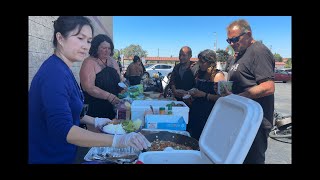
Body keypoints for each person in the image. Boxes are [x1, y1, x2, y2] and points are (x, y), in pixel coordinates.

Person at [28, 16, 150, 164]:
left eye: (88, 41)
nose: (85, 46)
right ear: (60, 38)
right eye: (80, 38)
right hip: (49, 156)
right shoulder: (54, 74)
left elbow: (70, 111)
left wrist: (96, 121)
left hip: (65, 154)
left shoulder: (63, 69)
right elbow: (62, 129)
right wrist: (118, 140)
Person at [226, 19, 275, 164]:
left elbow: (268, 86)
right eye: (228, 40)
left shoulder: (259, 51)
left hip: (255, 122)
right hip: (240, 118)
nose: (232, 44)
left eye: (235, 39)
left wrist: (238, 98)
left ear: (248, 34)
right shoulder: (238, 55)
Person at [80, 34, 123, 133]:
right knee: (98, 139)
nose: (107, 50)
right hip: (95, 108)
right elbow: (88, 87)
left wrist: (124, 89)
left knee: (113, 135)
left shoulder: (113, 61)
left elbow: (118, 81)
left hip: (113, 106)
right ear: (95, 48)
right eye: (104, 48)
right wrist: (109, 96)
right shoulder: (89, 62)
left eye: (109, 48)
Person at [187, 49, 226, 140]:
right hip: (196, 114)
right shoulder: (200, 73)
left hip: (209, 116)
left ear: (210, 62)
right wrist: (192, 93)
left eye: (202, 62)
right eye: (199, 61)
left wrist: (204, 95)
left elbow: (224, 98)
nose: (199, 64)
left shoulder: (218, 76)